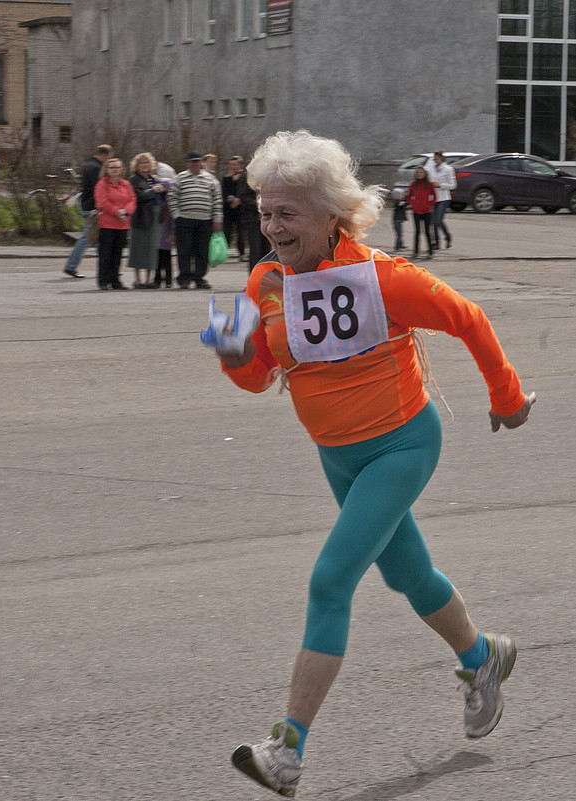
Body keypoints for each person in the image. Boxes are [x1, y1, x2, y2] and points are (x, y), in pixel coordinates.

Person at [203, 130, 535, 798]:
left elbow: (466, 318)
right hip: (337, 456)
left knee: (330, 579)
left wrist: (507, 397)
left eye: (286, 213)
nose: (271, 227)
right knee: (409, 575)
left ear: (329, 214)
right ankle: (480, 657)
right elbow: (258, 376)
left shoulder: (381, 277)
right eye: (264, 212)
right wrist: (234, 354)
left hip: (402, 444)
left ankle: (287, 750)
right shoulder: (266, 279)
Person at [167, 150, 223, 289]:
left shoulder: (210, 179)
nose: (195, 164)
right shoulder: (180, 178)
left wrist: (217, 219)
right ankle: (184, 278)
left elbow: (217, 199)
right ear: (188, 163)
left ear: (201, 163)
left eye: (197, 161)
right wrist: (177, 215)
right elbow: (172, 197)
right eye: (193, 162)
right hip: (185, 219)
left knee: (202, 250)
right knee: (184, 250)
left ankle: (199, 277)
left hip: (205, 220)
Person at [63, 144, 113, 279]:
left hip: (88, 205)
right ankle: (71, 266)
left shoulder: (88, 165)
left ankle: (107, 268)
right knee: (87, 238)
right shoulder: (96, 168)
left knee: (97, 240)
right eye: (109, 158)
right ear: (104, 155)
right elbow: (98, 190)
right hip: (93, 208)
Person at [94, 157, 136, 290]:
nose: (114, 170)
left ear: (121, 169)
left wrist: (126, 211)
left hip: (123, 224)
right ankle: (103, 280)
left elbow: (132, 199)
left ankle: (115, 280)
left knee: (118, 254)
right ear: (106, 169)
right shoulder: (102, 184)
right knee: (106, 254)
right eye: (111, 167)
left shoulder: (126, 184)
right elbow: (102, 202)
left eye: (117, 167)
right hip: (107, 224)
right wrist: (116, 211)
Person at [128, 152, 166, 288]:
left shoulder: (155, 178)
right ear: (136, 166)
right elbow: (138, 196)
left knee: (152, 248)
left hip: (155, 216)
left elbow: (161, 197)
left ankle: (149, 279)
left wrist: (163, 190)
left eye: (146, 163)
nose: (144, 165)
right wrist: (153, 191)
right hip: (141, 216)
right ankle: (137, 279)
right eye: (141, 163)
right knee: (138, 247)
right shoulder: (133, 180)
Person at [233, 163, 271, 271]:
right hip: (252, 219)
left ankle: (265, 279)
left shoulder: (268, 176)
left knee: (266, 250)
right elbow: (243, 197)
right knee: (255, 250)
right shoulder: (246, 177)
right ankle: (254, 279)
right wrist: (260, 206)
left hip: (268, 218)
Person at [426, 151, 457, 249]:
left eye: (437, 159)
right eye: (434, 159)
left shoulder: (448, 169)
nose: (436, 161)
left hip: (443, 198)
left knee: (438, 220)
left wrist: (441, 185)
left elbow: (453, 185)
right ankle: (436, 242)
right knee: (433, 221)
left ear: (442, 159)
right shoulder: (431, 169)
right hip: (433, 198)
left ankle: (447, 237)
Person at [407, 165, 435, 259]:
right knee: (417, 231)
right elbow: (409, 196)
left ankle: (430, 251)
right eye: (418, 173)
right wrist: (412, 204)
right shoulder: (413, 184)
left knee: (427, 232)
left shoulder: (430, 184)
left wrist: (429, 204)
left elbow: (434, 196)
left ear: (425, 174)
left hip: (427, 211)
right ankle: (416, 251)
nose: (419, 174)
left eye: (421, 172)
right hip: (416, 211)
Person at [222, 156, 246, 262]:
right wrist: (231, 200)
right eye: (231, 164)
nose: (233, 166)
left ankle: (242, 253)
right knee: (226, 232)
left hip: (241, 210)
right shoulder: (226, 178)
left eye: (235, 164)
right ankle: (224, 253)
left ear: (240, 165)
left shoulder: (245, 177)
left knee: (241, 232)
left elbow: (247, 191)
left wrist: (239, 200)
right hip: (228, 209)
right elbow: (224, 192)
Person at [392, 186, 408, 250]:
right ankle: (397, 247)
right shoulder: (397, 203)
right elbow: (405, 204)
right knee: (399, 234)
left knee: (400, 233)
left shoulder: (399, 202)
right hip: (397, 221)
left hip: (398, 220)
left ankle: (401, 245)